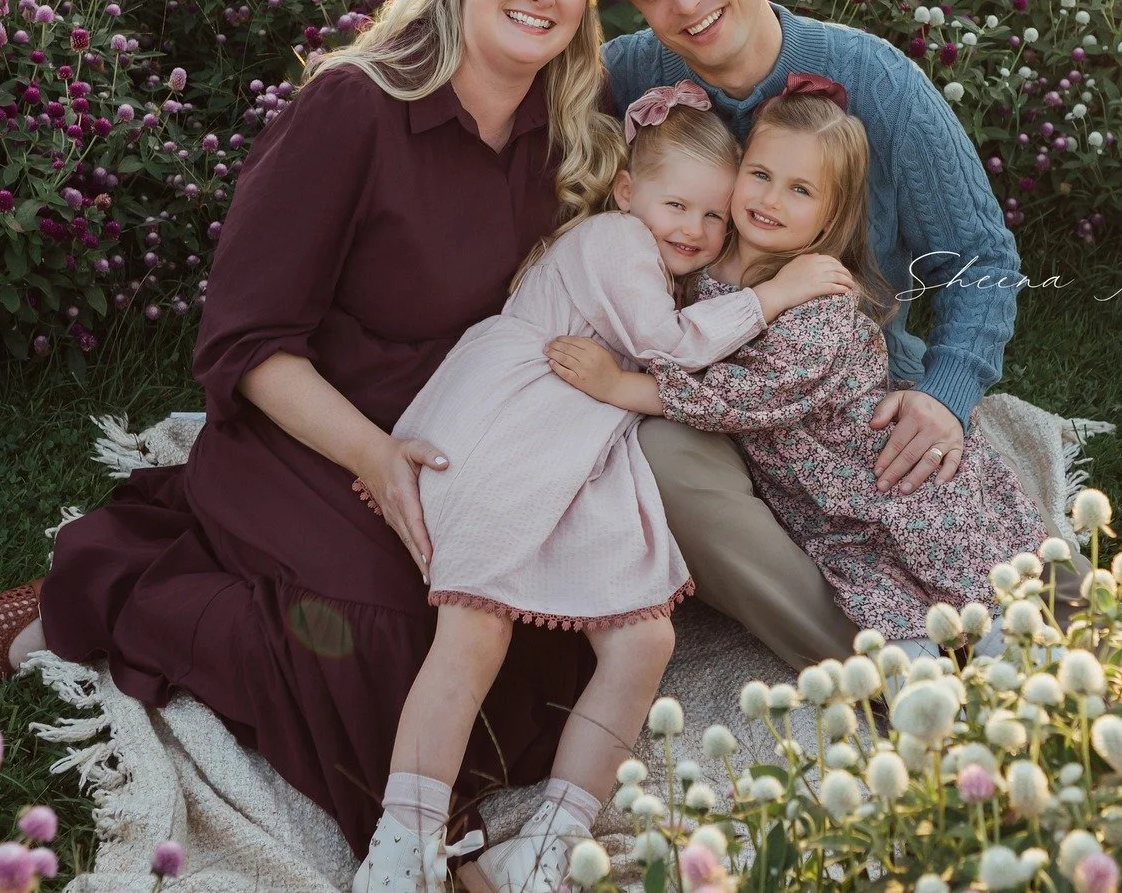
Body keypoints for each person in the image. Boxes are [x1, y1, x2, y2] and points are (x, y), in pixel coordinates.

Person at [0, 0, 626, 858]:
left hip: (459, 437)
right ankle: (113, 593)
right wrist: (375, 461)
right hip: (310, 431)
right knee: (385, 640)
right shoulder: (353, 107)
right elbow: (248, 339)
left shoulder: (556, 124)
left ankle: (208, 568)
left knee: (538, 635)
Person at [357, 87, 852, 893]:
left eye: (713, 218)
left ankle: (552, 841)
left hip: (586, 438)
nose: (693, 229)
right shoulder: (617, 240)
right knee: (476, 626)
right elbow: (664, 344)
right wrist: (775, 293)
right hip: (515, 419)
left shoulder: (664, 260)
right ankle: (400, 844)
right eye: (676, 204)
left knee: (647, 639)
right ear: (628, 191)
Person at [598, 0, 1027, 667]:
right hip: (701, 391)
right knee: (657, 459)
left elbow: (982, 260)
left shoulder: (879, 83)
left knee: (930, 501)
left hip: (841, 395)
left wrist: (945, 393)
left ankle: (986, 623)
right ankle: (874, 662)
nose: (685, 4)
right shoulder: (637, 76)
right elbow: (527, 74)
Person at [547, 77, 1048, 640]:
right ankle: (927, 673)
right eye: (759, 176)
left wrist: (619, 386)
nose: (769, 200)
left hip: (875, 470)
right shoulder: (704, 261)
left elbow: (746, 396)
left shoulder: (817, 296)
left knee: (981, 579)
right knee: (881, 593)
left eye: (800, 190)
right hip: (819, 499)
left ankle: (1019, 665)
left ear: (831, 215)